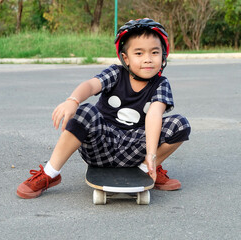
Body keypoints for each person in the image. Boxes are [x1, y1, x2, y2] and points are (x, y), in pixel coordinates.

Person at [16, 18, 191, 199]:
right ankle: (50, 174)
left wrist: (152, 155)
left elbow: (154, 114)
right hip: (101, 146)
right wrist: (73, 100)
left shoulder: (161, 84)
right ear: (126, 58)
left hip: (135, 149)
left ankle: (146, 169)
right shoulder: (116, 73)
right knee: (85, 111)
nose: (148, 59)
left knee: (180, 124)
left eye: (155, 52)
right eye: (139, 53)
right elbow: (91, 86)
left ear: (163, 55)